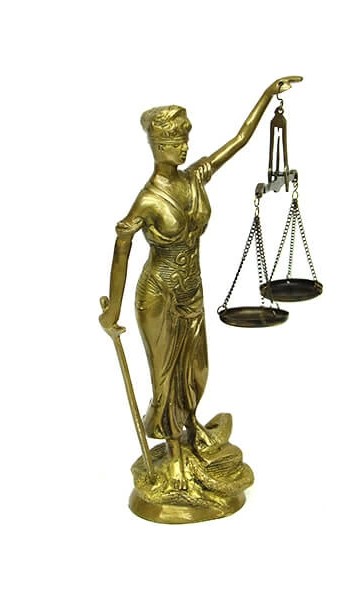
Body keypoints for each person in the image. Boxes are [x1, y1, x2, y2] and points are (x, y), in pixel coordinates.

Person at [99, 77, 302, 492]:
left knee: (195, 371)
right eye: (176, 142)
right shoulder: (147, 200)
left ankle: (191, 432)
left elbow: (240, 140)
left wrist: (268, 95)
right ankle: (175, 457)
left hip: (193, 291)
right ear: (159, 146)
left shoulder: (193, 179)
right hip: (159, 295)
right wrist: (112, 311)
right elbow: (122, 248)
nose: (184, 148)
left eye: (185, 140)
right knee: (165, 378)